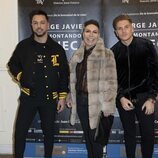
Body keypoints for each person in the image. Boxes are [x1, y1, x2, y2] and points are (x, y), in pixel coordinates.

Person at [8, 10, 69, 158]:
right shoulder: (23, 46)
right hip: (28, 98)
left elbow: (64, 74)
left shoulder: (57, 49)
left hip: (49, 99)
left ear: (48, 25)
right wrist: (22, 77)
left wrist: (62, 97)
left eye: (42, 22)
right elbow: (12, 64)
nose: (39, 26)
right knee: (20, 132)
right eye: (35, 23)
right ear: (31, 25)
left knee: (49, 133)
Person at [67, 19, 117, 158]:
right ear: (83, 33)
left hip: (98, 104)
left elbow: (112, 83)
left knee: (96, 141)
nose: (91, 35)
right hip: (81, 102)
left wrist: (107, 106)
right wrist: (70, 96)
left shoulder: (107, 54)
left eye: (94, 32)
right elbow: (73, 79)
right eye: (88, 31)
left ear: (99, 34)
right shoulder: (77, 54)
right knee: (88, 139)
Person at [111, 14, 158, 158]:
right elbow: (111, 80)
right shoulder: (112, 52)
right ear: (116, 32)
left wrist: (152, 98)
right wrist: (120, 98)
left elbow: (155, 73)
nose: (123, 31)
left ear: (132, 28)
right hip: (124, 100)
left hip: (145, 98)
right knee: (129, 135)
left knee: (148, 136)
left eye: (126, 27)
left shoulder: (146, 45)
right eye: (120, 28)